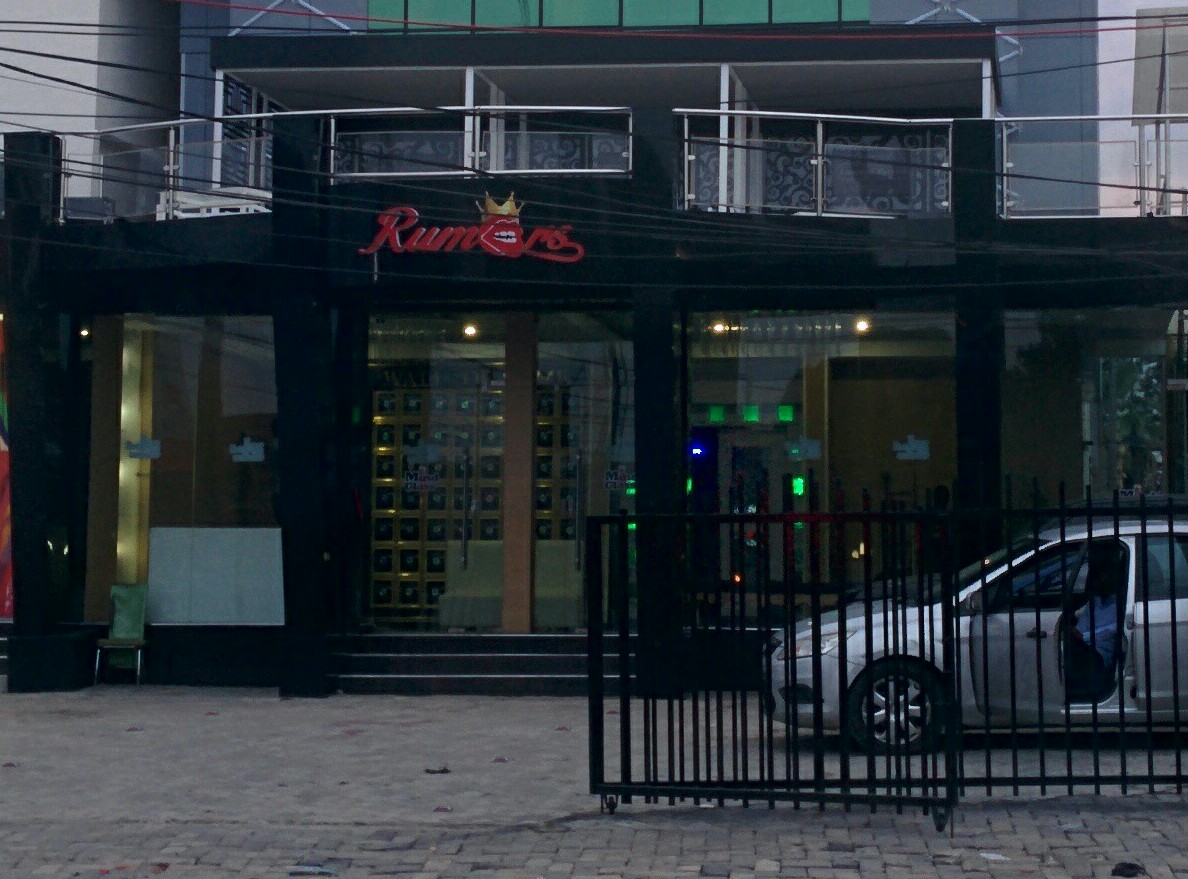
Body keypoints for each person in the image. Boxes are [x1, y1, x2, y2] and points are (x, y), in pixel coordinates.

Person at [1065, 541, 1124, 702]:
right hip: (1081, 646)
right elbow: (1077, 620)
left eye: (1107, 575)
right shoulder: (1094, 601)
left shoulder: (1120, 604)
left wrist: (1082, 637)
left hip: (1098, 655)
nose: (1102, 579)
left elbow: (1113, 630)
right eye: (1100, 575)